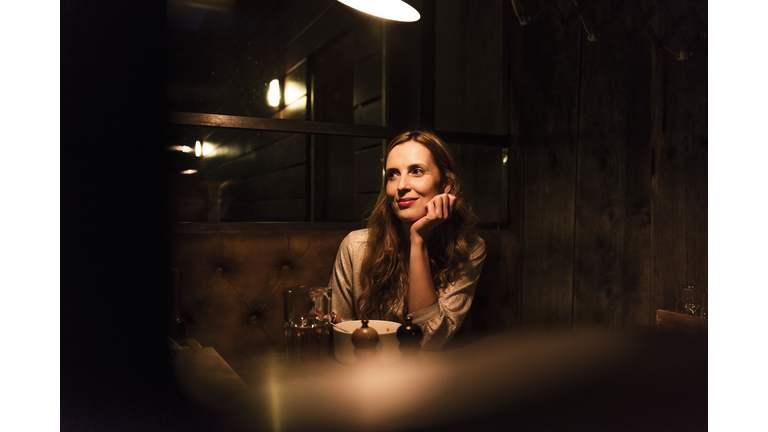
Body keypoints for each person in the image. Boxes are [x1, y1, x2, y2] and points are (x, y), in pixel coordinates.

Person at [329, 130, 486, 350]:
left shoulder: (469, 248)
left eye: (416, 171)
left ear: (446, 184)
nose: (401, 185)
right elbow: (339, 331)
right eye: (392, 174)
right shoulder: (356, 247)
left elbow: (429, 341)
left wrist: (418, 239)